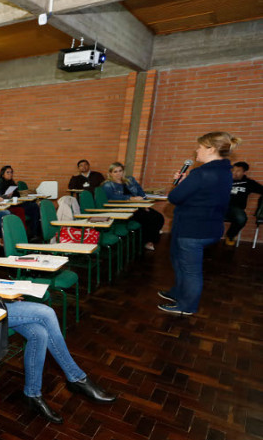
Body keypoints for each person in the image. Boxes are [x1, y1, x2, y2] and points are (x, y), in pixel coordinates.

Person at [0, 194, 116, 424]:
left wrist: (4, 288)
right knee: (46, 313)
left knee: (39, 332)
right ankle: (76, 377)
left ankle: (33, 394)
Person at [160, 132, 238, 315]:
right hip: (208, 226)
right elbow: (205, 194)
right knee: (178, 260)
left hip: (193, 229)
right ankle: (178, 293)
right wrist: (188, 183)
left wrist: (181, 183)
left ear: (211, 149)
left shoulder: (201, 173)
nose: (197, 150)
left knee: (191, 271)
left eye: (200, 147)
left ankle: (187, 306)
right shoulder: (225, 171)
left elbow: (174, 197)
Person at [102, 162, 165, 250]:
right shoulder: (108, 185)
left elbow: (140, 192)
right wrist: (130, 198)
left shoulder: (130, 179)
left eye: (120, 171)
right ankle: (146, 242)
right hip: (124, 210)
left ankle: (148, 239)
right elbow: (111, 197)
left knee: (159, 217)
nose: (118, 173)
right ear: (110, 173)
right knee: (149, 219)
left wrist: (145, 203)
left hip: (138, 207)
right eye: (115, 171)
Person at [0, 165, 41, 239]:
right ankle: (31, 232)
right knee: (30, 208)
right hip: (9, 205)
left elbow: (18, 195)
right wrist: (7, 196)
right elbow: (0, 196)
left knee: (34, 206)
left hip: (16, 203)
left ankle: (35, 232)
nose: (10, 174)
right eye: (8, 172)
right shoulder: (0, 182)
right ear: (3, 174)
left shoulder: (11, 182)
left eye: (11, 172)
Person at [224, 161, 263, 245]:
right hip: (219, 206)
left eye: (238, 171)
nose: (234, 173)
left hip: (235, 209)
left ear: (244, 172)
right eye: (233, 170)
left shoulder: (248, 183)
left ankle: (230, 236)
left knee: (241, 218)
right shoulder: (224, 180)